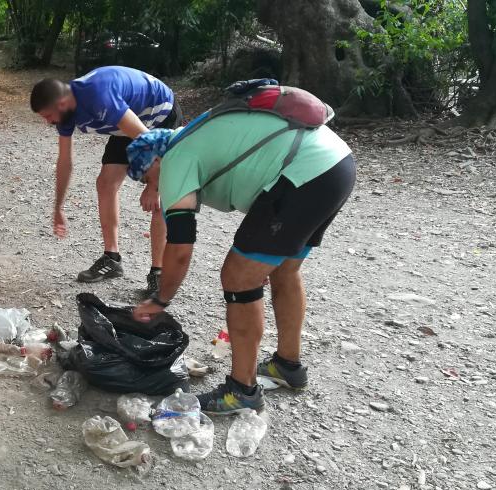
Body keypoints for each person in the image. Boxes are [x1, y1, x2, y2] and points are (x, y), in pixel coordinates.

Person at [127, 103, 355, 415]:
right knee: (284, 270)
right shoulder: (194, 137)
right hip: (336, 164)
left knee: (238, 276)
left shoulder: (176, 158)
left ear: (154, 160)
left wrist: (160, 299)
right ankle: (287, 365)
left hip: (306, 172)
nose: (151, 185)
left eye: (146, 177)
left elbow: (180, 248)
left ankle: (242, 390)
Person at [30, 66, 183, 294]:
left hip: (159, 115)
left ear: (61, 104)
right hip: (128, 119)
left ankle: (158, 274)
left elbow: (150, 141)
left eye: (48, 116)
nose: (48, 122)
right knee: (105, 183)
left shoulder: (99, 96)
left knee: (162, 197)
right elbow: (65, 162)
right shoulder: (66, 111)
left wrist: (154, 186)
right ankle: (112, 259)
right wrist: (58, 207)